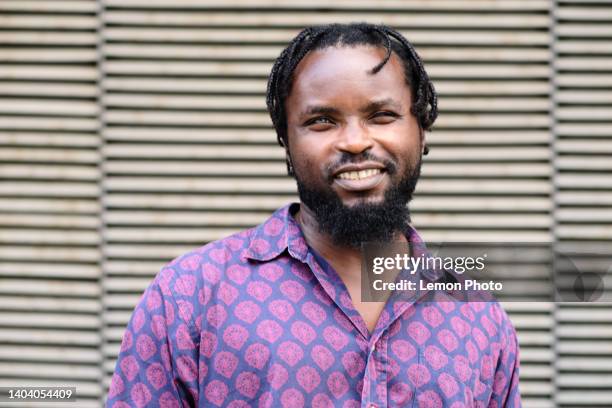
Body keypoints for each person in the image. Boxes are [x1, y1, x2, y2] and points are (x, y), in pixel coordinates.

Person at [106, 23, 521, 407]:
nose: (356, 142)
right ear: (285, 140)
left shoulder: (477, 315)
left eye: (382, 115)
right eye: (322, 120)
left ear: (422, 129)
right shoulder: (187, 298)